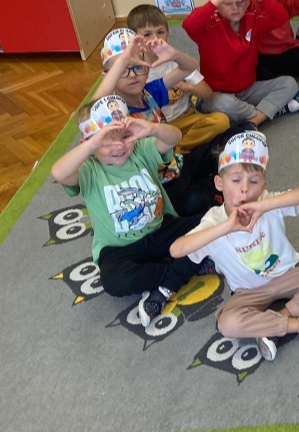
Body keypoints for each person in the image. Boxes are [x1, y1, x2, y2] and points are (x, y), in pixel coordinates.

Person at [169, 132, 299, 363]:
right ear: (219, 183)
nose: (245, 189)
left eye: (253, 181)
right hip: (248, 292)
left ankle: (275, 322)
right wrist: (226, 227)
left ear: (263, 185)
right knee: (227, 324)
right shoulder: (214, 222)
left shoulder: (266, 201)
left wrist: (265, 206)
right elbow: (177, 250)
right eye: (236, 180)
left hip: (289, 273)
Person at [51, 96, 209, 328]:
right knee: (114, 281)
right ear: (89, 145)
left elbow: (175, 137)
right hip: (120, 250)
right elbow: (58, 173)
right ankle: (179, 269)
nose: (119, 146)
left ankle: (173, 270)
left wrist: (152, 129)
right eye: (106, 142)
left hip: (161, 230)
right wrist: (92, 145)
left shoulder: (140, 151)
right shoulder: (88, 171)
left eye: (125, 137)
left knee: (212, 222)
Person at [183, 0, 299, 126]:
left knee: (289, 83)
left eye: (240, 2)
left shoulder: (254, 19)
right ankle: (267, 111)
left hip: (248, 89)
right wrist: (218, 0)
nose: (235, 8)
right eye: (228, 3)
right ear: (217, 3)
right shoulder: (207, 26)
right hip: (217, 93)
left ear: (247, 2)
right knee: (225, 104)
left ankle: (254, 119)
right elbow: (189, 24)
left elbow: (281, 16)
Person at [94, 28, 228, 156]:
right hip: (149, 165)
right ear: (108, 77)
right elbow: (92, 107)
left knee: (225, 132)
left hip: (170, 151)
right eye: (122, 69)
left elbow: (189, 67)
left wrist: (176, 55)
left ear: (147, 71)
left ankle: (178, 149)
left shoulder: (150, 92)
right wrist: (122, 61)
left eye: (138, 67)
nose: (132, 75)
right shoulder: (111, 109)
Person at [127, 4, 240, 142]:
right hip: (157, 126)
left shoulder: (178, 60)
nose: (155, 39)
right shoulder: (135, 70)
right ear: (135, 39)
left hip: (186, 117)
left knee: (221, 121)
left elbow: (207, 93)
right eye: (147, 34)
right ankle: (176, 146)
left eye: (160, 32)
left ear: (168, 33)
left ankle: (176, 147)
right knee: (139, 140)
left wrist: (188, 87)